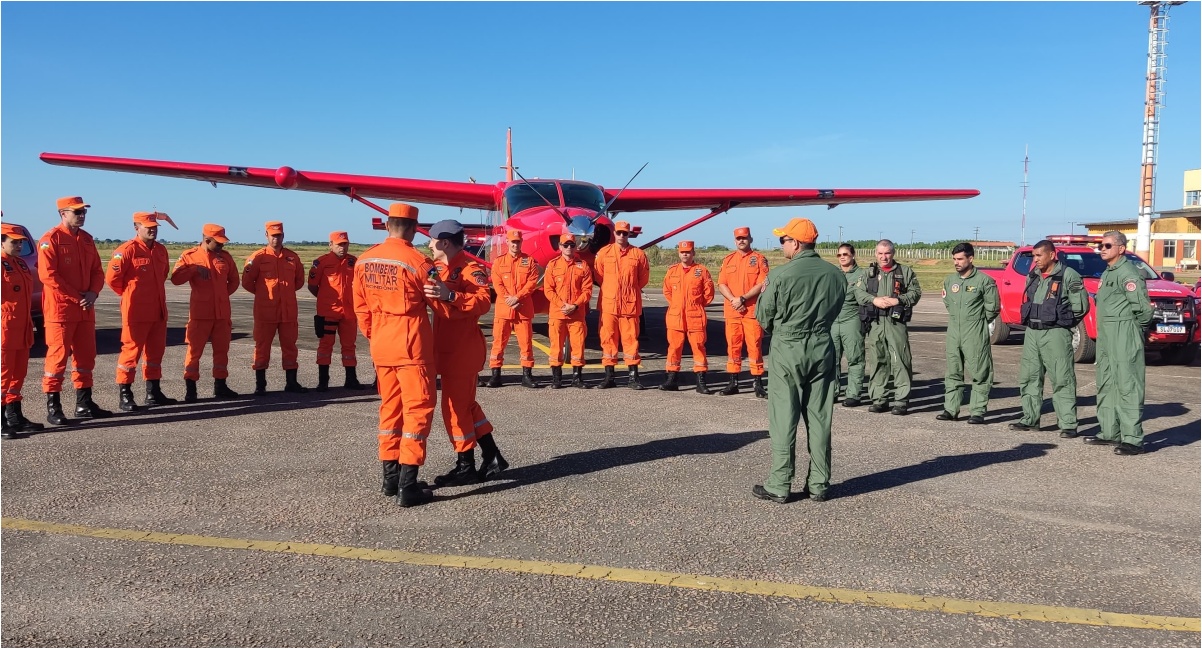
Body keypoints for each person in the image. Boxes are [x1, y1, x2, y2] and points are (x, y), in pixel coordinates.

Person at [752, 218, 845, 504]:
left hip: (789, 347)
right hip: (822, 346)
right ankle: (819, 483)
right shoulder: (836, 274)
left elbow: (763, 316)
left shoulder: (781, 275)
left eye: (784, 240)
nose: (782, 245)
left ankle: (780, 483)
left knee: (784, 417)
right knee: (819, 418)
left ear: (796, 242)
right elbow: (838, 308)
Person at [353, 202, 438, 507]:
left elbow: (360, 308)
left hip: (381, 343)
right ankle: (408, 485)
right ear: (414, 229)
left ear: (387, 225)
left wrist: (376, 335)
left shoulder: (364, 260)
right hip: (410, 344)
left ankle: (390, 480)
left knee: (390, 410)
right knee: (417, 409)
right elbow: (439, 303)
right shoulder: (418, 261)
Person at [425, 219, 509, 486]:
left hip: (462, 352)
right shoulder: (437, 268)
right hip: (446, 350)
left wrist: (451, 296)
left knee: (455, 409)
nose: (428, 245)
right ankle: (492, 455)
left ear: (445, 243)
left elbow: (484, 301)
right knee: (466, 406)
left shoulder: (471, 269)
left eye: (432, 240)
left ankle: (466, 466)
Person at [39, 196, 111, 424]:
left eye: (84, 212)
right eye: (77, 212)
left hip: (84, 309)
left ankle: (84, 403)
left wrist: (93, 293)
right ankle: (54, 406)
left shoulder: (87, 240)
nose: (82, 215)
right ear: (63, 213)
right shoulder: (51, 239)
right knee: (57, 359)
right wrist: (76, 297)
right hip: (61, 310)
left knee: (86, 357)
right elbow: (48, 275)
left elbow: (98, 272)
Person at [1083, 231, 1153, 455]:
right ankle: (1109, 431)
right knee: (1106, 381)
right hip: (1107, 334)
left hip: (1124, 332)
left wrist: (1134, 331)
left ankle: (1133, 438)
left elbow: (1142, 309)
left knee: (1127, 384)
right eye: (1100, 246)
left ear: (1121, 248)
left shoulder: (1128, 273)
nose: (1102, 249)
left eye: (1107, 245)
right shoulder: (1108, 272)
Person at [1010, 239, 1089, 436]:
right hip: (1032, 333)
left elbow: (1080, 307)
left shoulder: (1068, 275)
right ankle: (1030, 418)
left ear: (1052, 255)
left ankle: (1068, 423)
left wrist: (1062, 323)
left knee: (1062, 378)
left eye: (1039, 256)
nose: (1035, 260)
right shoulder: (1034, 275)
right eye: (1034, 256)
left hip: (1055, 333)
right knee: (1029, 377)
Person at [106, 212, 175, 411]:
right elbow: (112, 279)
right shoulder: (127, 250)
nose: (152, 229)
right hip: (136, 311)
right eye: (148, 226)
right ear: (137, 227)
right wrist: (130, 295)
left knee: (156, 352)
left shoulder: (161, 250)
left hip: (158, 310)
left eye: (154, 226)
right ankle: (125, 394)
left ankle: (153, 392)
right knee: (131, 352)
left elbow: (162, 275)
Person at [171, 224, 241, 402]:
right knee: (194, 352)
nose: (221, 247)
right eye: (218, 243)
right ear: (207, 240)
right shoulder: (190, 256)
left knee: (222, 351)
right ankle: (191, 388)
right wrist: (193, 269)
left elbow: (234, 280)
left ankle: (220, 385)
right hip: (200, 314)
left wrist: (222, 296)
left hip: (222, 314)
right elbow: (176, 279)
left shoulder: (225, 258)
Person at [852, 239, 921, 415]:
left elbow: (915, 293)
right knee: (877, 361)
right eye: (880, 253)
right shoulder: (868, 274)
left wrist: (898, 300)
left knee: (900, 360)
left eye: (887, 253)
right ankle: (879, 399)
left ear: (893, 253)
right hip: (875, 323)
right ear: (876, 254)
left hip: (895, 323)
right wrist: (873, 300)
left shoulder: (904, 272)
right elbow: (858, 292)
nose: (884, 257)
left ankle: (901, 400)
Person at [937, 242, 1000, 424]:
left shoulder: (984, 281)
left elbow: (993, 307)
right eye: (954, 259)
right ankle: (951, 409)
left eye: (960, 259)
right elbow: (948, 302)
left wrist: (977, 321)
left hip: (974, 331)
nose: (956, 263)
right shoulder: (950, 281)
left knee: (980, 372)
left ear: (970, 259)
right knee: (953, 372)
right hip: (954, 331)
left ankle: (977, 411)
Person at [242, 220, 308, 395]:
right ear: (266, 236)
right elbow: (247, 283)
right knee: (262, 347)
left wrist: (284, 293)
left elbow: (299, 281)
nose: (276, 239)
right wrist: (264, 294)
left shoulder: (292, 257)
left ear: (283, 236)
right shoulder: (257, 257)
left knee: (290, 346)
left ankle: (291, 382)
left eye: (279, 236)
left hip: (288, 312)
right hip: (266, 312)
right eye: (273, 236)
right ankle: (260, 384)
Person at [308, 231, 368, 392]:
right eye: (339, 244)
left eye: (345, 244)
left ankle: (351, 379)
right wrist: (324, 300)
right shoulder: (321, 263)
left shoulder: (353, 262)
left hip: (348, 312)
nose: (342, 247)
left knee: (349, 346)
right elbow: (313, 286)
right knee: (325, 345)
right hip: (328, 312)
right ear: (330, 245)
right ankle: (323, 381)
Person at [593, 220, 649, 389]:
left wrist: (628, 291)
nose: (622, 236)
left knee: (631, 340)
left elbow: (642, 279)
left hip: (629, 306)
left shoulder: (638, 254)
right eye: (619, 233)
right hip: (609, 305)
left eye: (625, 233)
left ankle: (633, 377)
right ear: (614, 234)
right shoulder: (604, 253)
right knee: (608, 339)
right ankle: (609, 376)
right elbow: (599, 276)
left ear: (629, 234)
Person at [1, 223, 45, 438]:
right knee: (2, 375)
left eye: (21, 242)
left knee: (18, 375)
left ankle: (15, 416)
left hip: (23, 325)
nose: (18, 245)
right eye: (13, 242)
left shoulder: (20, 264)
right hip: (5, 327)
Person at [716, 227, 769, 398]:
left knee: (754, 347)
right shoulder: (728, 260)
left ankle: (758, 383)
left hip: (751, 311)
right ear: (734, 241)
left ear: (750, 239)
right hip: (732, 311)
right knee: (733, 347)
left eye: (744, 238)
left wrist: (743, 298)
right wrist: (733, 299)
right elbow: (722, 283)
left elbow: (762, 283)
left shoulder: (759, 259)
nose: (741, 241)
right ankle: (733, 382)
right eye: (738, 238)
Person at [486, 229, 540, 389]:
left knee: (526, 343)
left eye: (518, 242)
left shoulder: (529, 261)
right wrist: (509, 299)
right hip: (504, 309)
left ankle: (527, 375)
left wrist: (517, 297)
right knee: (498, 342)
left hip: (522, 308)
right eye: (513, 242)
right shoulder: (499, 262)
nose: (515, 244)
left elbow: (532, 282)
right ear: (507, 242)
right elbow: (497, 283)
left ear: (521, 242)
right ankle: (495, 375)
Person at [661, 240, 715, 394]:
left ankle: (701, 381)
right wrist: (677, 305)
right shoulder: (672, 271)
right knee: (674, 348)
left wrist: (694, 305)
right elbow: (667, 291)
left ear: (693, 253)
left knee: (698, 347)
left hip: (695, 316)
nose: (685, 254)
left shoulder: (701, 271)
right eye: (682, 252)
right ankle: (671, 379)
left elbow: (708, 294)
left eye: (688, 252)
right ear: (679, 253)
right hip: (675, 316)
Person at [543, 227, 593, 389]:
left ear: (576, 246)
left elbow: (587, 290)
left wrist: (575, 305)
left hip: (576, 314)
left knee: (578, 345)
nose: (569, 248)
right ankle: (556, 378)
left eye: (571, 245)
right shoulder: (552, 265)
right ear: (560, 247)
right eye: (566, 245)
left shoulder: (583, 266)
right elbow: (548, 289)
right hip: (558, 313)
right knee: (556, 346)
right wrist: (561, 305)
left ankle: (577, 377)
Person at [832, 243, 866, 407]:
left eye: (845, 254)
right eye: (839, 255)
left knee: (855, 358)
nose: (842, 257)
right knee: (831, 359)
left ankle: (853, 393)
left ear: (853, 255)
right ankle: (832, 391)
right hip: (833, 320)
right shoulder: (833, 274)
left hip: (851, 319)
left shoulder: (862, 275)